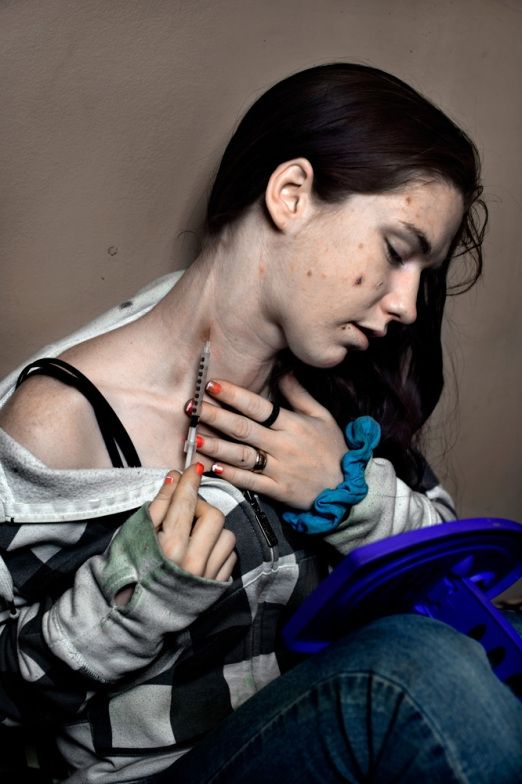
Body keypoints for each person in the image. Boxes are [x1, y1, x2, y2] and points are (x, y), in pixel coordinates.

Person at [0, 63, 521, 783]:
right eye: (398, 252)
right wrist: (134, 602)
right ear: (291, 194)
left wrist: (350, 497)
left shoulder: (334, 382)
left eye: (422, 276)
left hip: (316, 744)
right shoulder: (62, 421)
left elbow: (458, 582)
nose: (406, 304)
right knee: (421, 674)